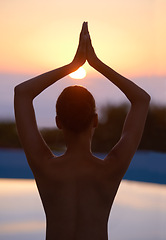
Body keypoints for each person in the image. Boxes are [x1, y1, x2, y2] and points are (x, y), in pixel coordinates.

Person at [14, 22, 150, 240]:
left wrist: (73, 65)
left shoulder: (45, 167)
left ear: (58, 122)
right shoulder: (111, 168)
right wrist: (95, 63)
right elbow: (141, 100)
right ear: (95, 120)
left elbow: (22, 93)